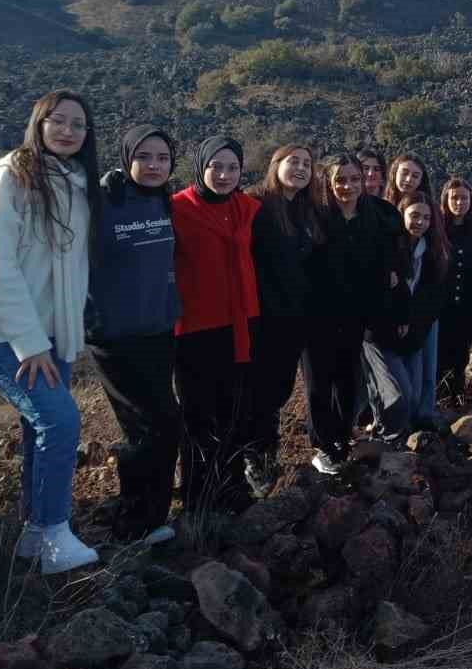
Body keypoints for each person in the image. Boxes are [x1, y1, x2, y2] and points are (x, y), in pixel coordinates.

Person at [0, 90, 101, 573]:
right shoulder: (12, 173)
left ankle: (35, 536)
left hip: (52, 333)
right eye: (57, 121)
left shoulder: (77, 181)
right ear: (38, 124)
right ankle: (55, 534)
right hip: (3, 334)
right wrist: (30, 344)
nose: (67, 131)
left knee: (39, 427)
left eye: (77, 124)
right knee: (60, 422)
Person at [85, 124, 181, 545]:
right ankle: (133, 522)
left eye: (162, 158)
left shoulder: (163, 200)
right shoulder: (102, 201)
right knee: (150, 426)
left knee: (160, 425)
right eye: (144, 157)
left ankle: (151, 516)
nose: (154, 165)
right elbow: (48, 237)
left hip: (158, 331)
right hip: (114, 337)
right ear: (127, 159)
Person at [170, 136, 261, 515]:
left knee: (234, 412)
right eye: (216, 167)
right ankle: (198, 496)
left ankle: (232, 487)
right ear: (201, 166)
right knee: (197, 415)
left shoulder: (248, 208)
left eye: (232, 168)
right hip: (194, 330)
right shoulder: (176, 208)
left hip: (240, 325)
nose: (224, 175)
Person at [304, 153, 393, 473]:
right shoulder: (316, 218)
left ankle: (342, 437)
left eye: (355, 179)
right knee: (318, 383)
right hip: (317, 316)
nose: (349, 186)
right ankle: (322, 445)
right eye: (340, 180)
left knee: (347, 380)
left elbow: (382, 264)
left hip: (356, 315)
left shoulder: (372, 218)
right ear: (328, 183)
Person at [244, 143, 322, 496]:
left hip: (294, 319)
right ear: (275, 165)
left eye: (307, 163)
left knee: (278, 390)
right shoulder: (255, 203)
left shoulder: (306, 210)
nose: (301, 168)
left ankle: (266, 456)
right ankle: (252, 461)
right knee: (257, 392)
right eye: (294, 161)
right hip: (261, 319)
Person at [363, 192, 440, 437]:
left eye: (426, 218)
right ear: (401, 215)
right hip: (382, 333)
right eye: (414, 215)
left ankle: (404, 438)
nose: (420, 222)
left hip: (412, 334)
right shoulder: (387, 247)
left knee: (413, 396)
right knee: (399, 394)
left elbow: (429, 296)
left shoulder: (428, 251)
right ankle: (384, 433)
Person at [385, 153, 439, 418]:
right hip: (388, 318)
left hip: (422, 308)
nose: (408, 179)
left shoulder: (428, 217)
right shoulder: (382, 212)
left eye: (415, 175)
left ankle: (423, 416)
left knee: (425, 366)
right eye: (404, 173)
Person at [436, 177, 472, 401]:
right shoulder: (437, 226)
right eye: (454, 198)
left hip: (468, 304)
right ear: (445, 200)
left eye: (464, 198)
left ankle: (457, 401)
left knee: (460, 357)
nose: (459, 202)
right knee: (439, 355)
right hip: (442, 305)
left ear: (471, 200)